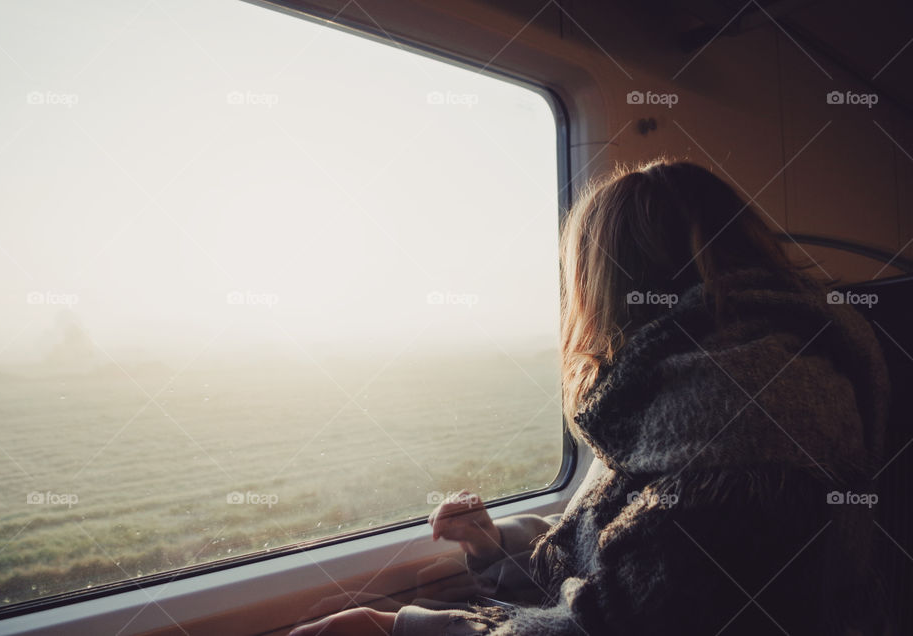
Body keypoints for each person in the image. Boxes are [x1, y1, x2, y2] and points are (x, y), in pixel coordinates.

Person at [288, 159, 890, 635]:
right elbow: (617, 550)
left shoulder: (732, 436)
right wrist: (495, 543)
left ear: (610, 290)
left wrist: (397, 629)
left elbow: (604, 620)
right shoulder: (700, 383)